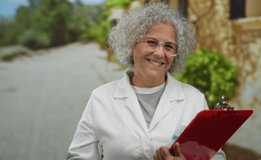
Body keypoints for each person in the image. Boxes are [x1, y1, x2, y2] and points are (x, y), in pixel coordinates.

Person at [67, 2, 226, 160]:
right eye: (152, 42)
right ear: (132, 44)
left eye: (169, 46)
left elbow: (215, 156)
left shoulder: (194, 99)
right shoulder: (101, 98)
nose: (160, 53)